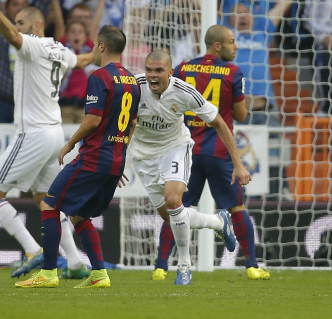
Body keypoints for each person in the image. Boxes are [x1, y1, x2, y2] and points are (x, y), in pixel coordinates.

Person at [0, 0, 94, 280]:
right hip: (55, 134)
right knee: (47, 201)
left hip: (34, 133)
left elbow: (12, 36)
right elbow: (83, 60)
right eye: (17, 22)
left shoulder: (34, 45)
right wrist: (105, 53)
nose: (17, 26)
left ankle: (32, 249)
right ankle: (76, 262)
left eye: (22, 21)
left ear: (38, 24)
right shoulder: (60, 50)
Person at [15, 25, 140, 289]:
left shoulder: (99, 76)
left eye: (95, 45)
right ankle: (99, 274)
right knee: (80, 216)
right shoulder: (132, 81)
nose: (93, 50)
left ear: (102, 47)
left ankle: (48, 274)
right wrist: (117, 156)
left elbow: (93, 120)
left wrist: (69, 144)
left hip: (93, 157)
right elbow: (131, 124)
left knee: (50, 205)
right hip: (114, 160)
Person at [153, 25, 270, 281]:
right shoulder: (233, 72)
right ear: (217, 45)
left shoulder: (183, 68)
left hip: (187, 152)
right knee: (237, 207)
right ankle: (252, 265)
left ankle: (161, 267)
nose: (236, 46)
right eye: (231, 42)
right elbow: (240, 115)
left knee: (177, 207)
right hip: (219, 151)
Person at [129, 50, 251, 285]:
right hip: (144, 157)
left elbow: (219, 122)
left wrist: (238, 163)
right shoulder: (134, 87)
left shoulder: (184, 91)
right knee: (171, 216)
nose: (152, 76)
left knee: (174, 201)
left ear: (170, 72)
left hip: (176, 146)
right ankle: (217, 223)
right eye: (149, 70)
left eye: (159, 71)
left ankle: (184, 265)